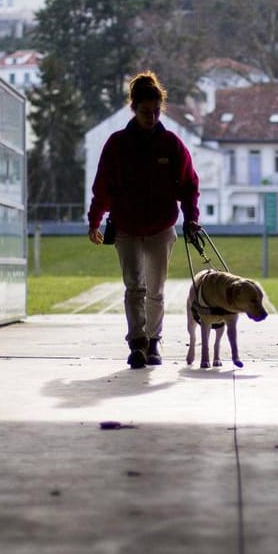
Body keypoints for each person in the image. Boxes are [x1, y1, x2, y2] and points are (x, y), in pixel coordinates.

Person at [87, 71, 203, 369]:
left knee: (156, 289)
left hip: (161, 228)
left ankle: (154, 341)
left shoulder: (172, 144)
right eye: (145, 112)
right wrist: (94, 220)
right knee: (133, 288)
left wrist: (191, 219)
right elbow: (103, 186)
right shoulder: (117, 144)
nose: (151, 117)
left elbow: (190, 185)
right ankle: (137, 343)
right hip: (126, 227)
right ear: (134, 109)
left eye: (155, 112)